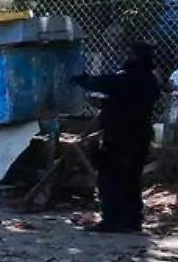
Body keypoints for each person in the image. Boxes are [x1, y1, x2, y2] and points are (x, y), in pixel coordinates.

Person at [69, 42, 161, 233]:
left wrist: (82, 80)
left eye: (130, 53)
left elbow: (103, 83)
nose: (125, 57)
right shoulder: (150, 80)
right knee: (130, 180)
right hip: (139, 136)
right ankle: (132, 220)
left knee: (111, 179)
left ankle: (112, 220)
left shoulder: (127, 79)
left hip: (121, 137)